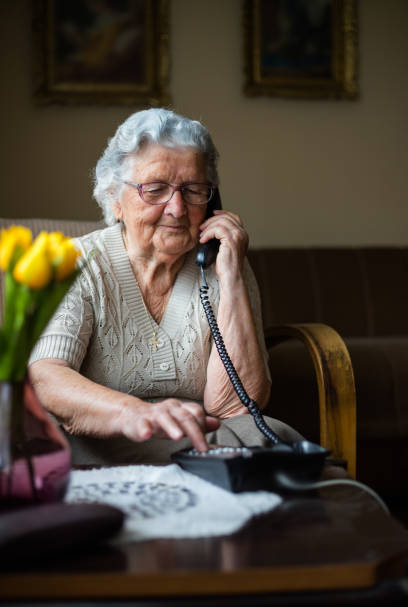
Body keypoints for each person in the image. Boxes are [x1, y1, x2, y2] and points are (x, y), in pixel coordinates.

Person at [28, 108, 301, 466]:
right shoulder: (75, 262)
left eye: (193, 190)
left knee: (270, 436)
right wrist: (134, 413)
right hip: (102, 442)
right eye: (155, 189)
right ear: (114, 199)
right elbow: (46, 376)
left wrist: (230, 277)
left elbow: (235, 406)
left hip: (200, 443)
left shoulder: (224, 262)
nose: (176, 207)